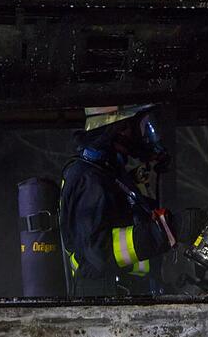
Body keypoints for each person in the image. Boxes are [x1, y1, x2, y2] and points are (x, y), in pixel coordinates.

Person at [59, 104, 193, 296]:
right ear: (119, 128)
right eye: (142, 125)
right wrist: (168, 230)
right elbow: (98, 252)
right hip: (107, 308)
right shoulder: (89, 179)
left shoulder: (108, 176)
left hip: (127, 301)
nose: (146, 134)